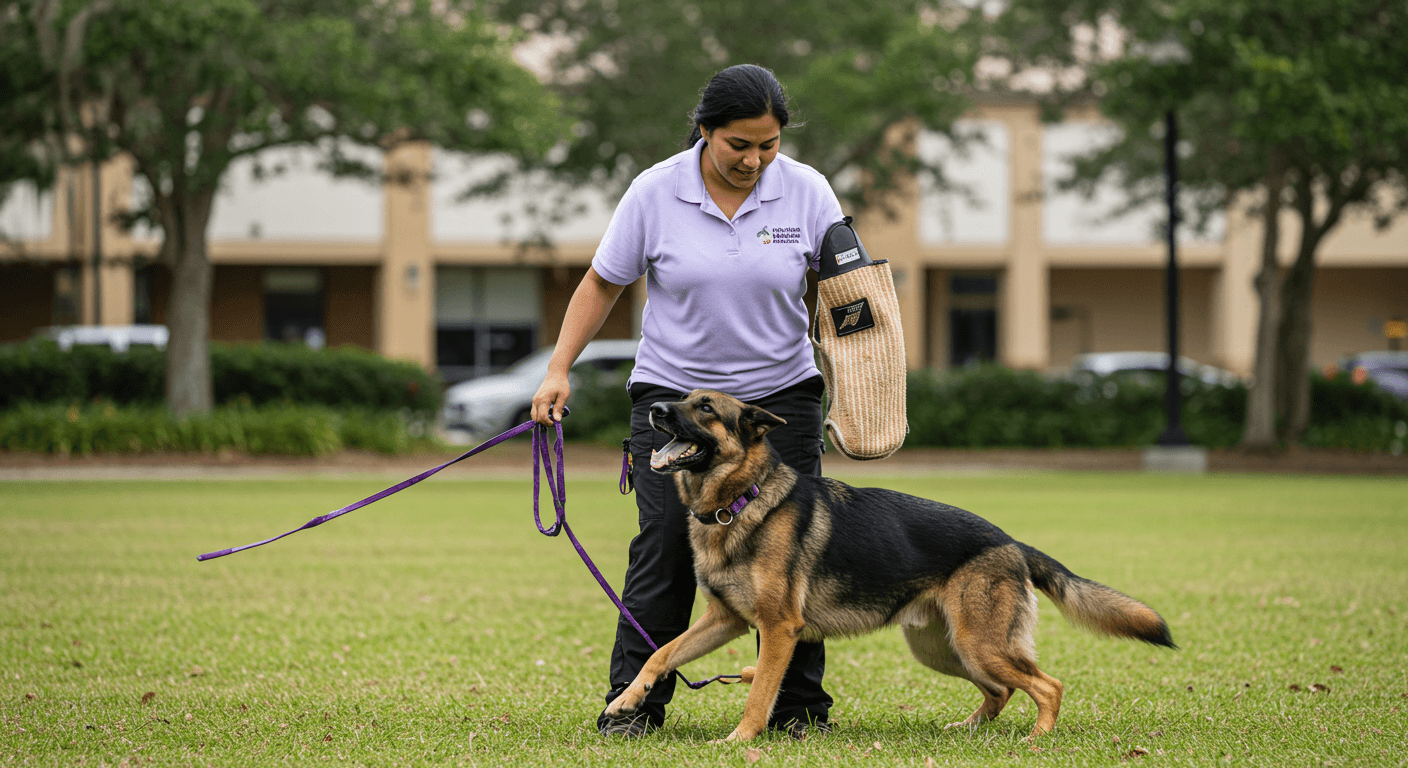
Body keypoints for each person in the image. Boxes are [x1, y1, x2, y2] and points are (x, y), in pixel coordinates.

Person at [531, 63, 842, 739]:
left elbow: (849, 291)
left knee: (789, 556)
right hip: (674, 400)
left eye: (768, 145)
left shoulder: (808, 191)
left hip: (778, 400)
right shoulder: (656, 191)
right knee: (667, 545)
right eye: (739, 145)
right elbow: (601, 283)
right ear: (705, 131)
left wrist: (861, 377)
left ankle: (796, 712)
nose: (754, 160)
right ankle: (633, 702)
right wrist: (558, 367)